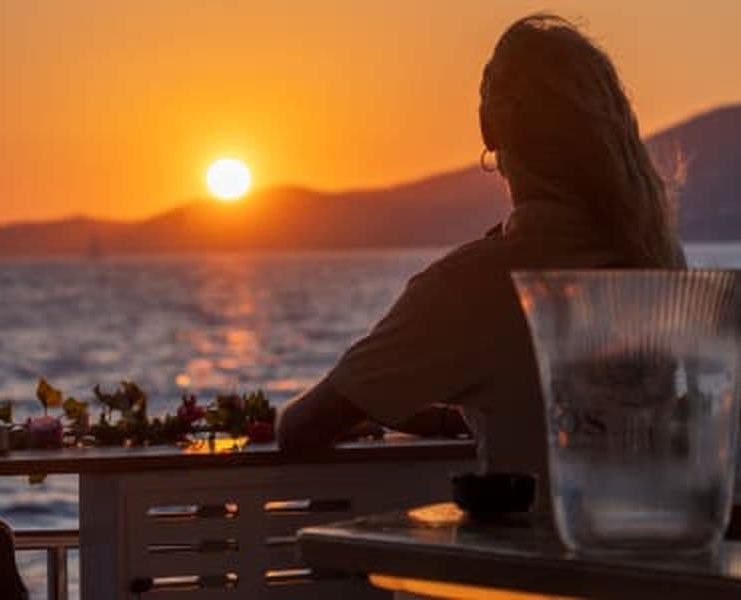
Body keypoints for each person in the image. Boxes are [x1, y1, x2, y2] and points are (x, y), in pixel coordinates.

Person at [276, 14, 684, 502]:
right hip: (651, 547)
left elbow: (300, 428)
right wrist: (453, 416)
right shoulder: (660, 260)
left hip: (531, 549)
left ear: (489, 128)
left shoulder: (472, 286)